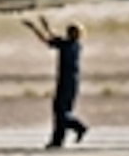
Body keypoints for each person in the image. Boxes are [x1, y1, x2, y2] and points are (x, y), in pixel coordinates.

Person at [23, 15, 88, 148]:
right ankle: (58, 141)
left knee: (60, 111)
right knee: (64, 110)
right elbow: (53, 36)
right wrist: (46, 25)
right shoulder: (75, 45)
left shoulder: (65, 44)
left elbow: (46, 40)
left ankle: (78, 127)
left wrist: (33, 28)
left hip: (65, 80)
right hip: (73, 81)